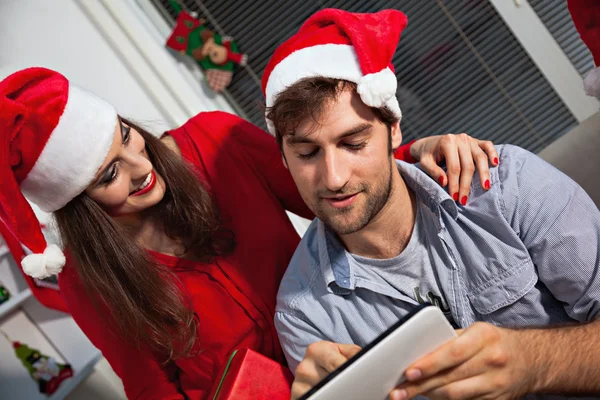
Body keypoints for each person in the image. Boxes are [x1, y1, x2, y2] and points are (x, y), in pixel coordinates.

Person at [0, 67, 496, 399]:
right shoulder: (89, 285)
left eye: (127, 137)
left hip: (364, 355)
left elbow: (333, 189)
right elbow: (154, 393)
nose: (140, 167)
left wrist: (415, 153)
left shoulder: (217, 140)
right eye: (108, 176)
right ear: (77, 204)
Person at [264, 8, 600, 400]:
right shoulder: (304, 314)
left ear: (394, 130)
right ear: (284, 159)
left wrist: (535, 362)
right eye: (307, 153)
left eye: (354, 144)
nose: (334, 178)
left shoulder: (505, 185)